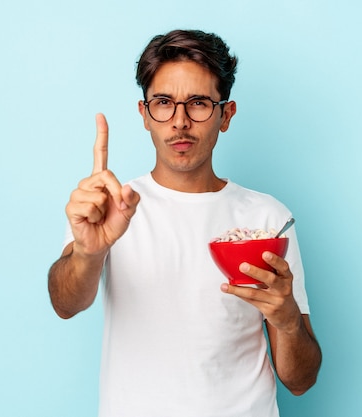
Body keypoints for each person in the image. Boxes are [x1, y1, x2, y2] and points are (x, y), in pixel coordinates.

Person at [48, 29, 321, 417]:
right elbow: (65, 304)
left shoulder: (268, 220)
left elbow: (300, 381)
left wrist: (290, 322)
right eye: (163, 102)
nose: (179, 122)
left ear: (225, 115)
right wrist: (88, 254)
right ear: (144, 115)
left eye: (198, 103)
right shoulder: (109, 207)